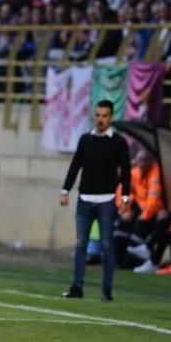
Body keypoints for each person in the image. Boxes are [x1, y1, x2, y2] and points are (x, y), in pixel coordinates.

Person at [60, 99, 132, 301]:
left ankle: (106, 291)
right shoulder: (85, 140)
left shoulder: (118, 142)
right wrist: (65, 190)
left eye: (104, 116)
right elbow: (75, 166)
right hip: (84, 199)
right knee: (81, 244)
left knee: (107, 246)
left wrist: (125, 197)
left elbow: (126, 172)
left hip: (107, 200)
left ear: (111, 117)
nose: (100, 119)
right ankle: (76, 287)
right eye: (98, 115)